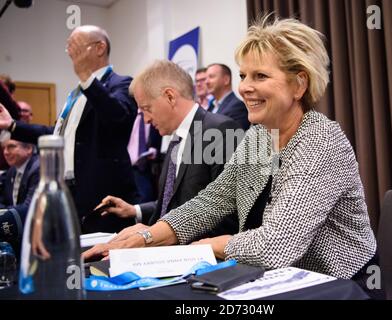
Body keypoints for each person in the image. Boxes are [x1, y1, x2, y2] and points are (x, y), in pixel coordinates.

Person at [83, 17, 376, 283]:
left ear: (299, 84)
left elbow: (276, 245)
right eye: (243, 75)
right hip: (286, 279)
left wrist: (205, 246)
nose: (244, 87)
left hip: (343, 284)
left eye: (260, 76)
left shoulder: (321, 140)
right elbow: (211, 202)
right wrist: (145, 238)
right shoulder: (258, 137)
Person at [0, 25, 138, 233]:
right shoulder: (76, 94)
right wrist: (12, 125)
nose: (70, 53)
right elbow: (55, 135)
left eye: (75, 45)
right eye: (68, 47)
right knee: (74, 255)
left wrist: (86, 77)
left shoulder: (120, 83)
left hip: (103, 193)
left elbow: (118, 116)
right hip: (70, 191)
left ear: (100, 48)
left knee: (102, 258)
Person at [94, 60, 240, 238]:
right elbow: (173, 204)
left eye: (147, 109)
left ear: (170, 97)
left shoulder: (220, 131)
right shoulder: (177, 139)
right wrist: (135, 210)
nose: (146, 120)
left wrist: (153, 235)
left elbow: (228, 213)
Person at [0, 139, 39, 255]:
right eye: (4, 148)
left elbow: (29, 209)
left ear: (28, 149)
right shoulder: (13, 170)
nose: (6, 152)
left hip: (37, 237)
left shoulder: (38, 168)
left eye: (11, 147)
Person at [206, 63, 250, 130]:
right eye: (206, 78)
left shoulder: (238, 107)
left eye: (211, 77)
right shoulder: (211, 105)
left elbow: (233, 138)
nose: (206, 82)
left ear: (226, 80)